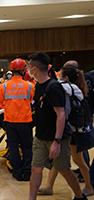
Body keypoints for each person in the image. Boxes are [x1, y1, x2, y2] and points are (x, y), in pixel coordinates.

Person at [27, 52, 87, 200]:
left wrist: (57, 141)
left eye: (29, 66)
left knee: (65, 170)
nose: (28, 69)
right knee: (35, 169)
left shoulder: (54, 87)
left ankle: (80, 196)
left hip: (56, 138)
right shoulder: (38, 86)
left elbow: (61, 114)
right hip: (40, 137)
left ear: (35, 68)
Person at [38, 64, 93, 197]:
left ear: (66, 77)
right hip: (75, 129)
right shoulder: (76, 88)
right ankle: (49, 186)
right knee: (59, 158)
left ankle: (89, 186)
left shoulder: (65, 87)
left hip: (69, 130)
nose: (58, 77)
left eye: (60, 75)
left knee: (77, 160)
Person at [0, 58, 34, 181]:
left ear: (12, 72)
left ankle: (17, 172)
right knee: (27, 147)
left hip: (10, 122)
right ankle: (27, 172)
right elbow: (33, 102)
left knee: (13, 146)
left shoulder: (4, 86)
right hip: (25, 122)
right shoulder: (30, 86)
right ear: (24, 71)